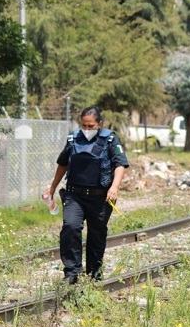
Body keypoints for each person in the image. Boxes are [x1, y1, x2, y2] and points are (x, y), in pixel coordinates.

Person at [44, 106, 129, 284]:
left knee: (97, 235)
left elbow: (120, 164)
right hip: (75, 195)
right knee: (71, 227)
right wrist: (52, 188)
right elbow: (63, 164)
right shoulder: (74, 138)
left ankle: (94, 275)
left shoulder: (111, 139)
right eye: (84, 125)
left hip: (101, 197)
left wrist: (115, 186)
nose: (87, 130)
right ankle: (72, 273)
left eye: (91, 126)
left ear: (99, 123)